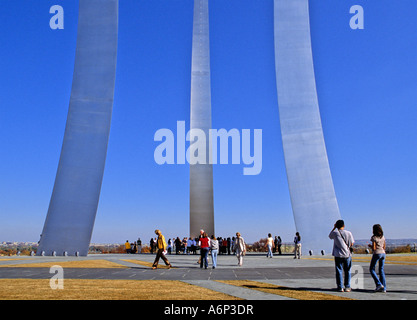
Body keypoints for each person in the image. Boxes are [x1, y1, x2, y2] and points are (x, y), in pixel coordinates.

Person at [329, 220, 354, 292]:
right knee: (348, 271)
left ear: (336, 225)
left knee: (339, 270)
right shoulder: (349, 233)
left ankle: (340, 287)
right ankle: (347, 286)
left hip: (338, 254)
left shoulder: (335, 233)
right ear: (344, 225)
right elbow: (352, 243)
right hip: (347, 254)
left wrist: (334, 228)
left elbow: (330, 236)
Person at [368, 224, 386, 292]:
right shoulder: (383, 237)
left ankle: (378, 284)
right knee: (381, 270)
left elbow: (374, 248)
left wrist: (370, 246)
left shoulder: (374, 237)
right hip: (383, 253)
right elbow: (384, 246)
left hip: (377, 253)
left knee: (372, 269)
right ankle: (384, 288)